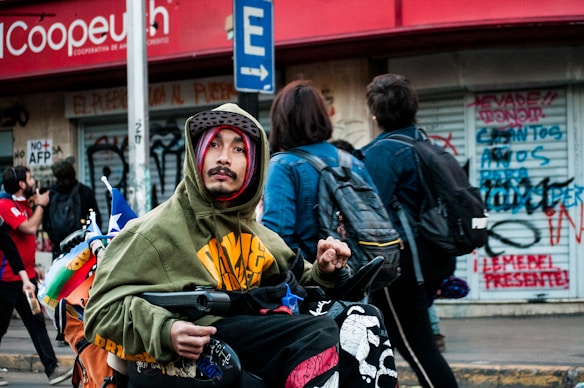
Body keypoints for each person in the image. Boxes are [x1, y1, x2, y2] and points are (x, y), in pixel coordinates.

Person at [84, 103, 397, 388]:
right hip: (204, 352)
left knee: (364, 318)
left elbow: (301, 284)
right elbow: (99, 312)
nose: (223, 157)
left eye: (238, 149)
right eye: (214, 145)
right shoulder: (152, 233)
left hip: (257, 339)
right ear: (197, 155)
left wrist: (326, 271)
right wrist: (165, 331)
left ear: (253, 166)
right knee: (316, 335)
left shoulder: (263, 238)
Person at [358, 73, 458, 387]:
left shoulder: (380, 154)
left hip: (399, 269)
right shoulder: (424, 144)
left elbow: (371, 215)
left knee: (417, 348)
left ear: (375, 114)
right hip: (433, 261)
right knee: (382, 346)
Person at [262, 80, 378, 262]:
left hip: (309, 281)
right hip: (357, 275)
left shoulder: (283, 165)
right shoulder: (354, 162)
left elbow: (275, 238)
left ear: (281, 120)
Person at [0, 165, 73, 386]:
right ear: (22, 184)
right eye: (30, 178)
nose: (34, 182)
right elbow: (30, 229)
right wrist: (41, 205)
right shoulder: (5, 205)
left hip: (26, 280)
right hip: (7, 281)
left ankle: (52, 369)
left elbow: (23, 243)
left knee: (36, 322)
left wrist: (32, 268)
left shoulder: (21, 205)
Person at [43, 159, 101, 259]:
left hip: (59, 248)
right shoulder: (84, 191)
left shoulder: (51, 193)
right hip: (82, 248)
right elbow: (96, 221)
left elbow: (45, 223)